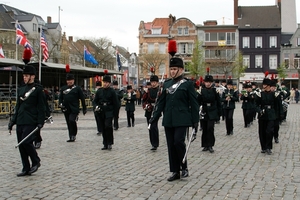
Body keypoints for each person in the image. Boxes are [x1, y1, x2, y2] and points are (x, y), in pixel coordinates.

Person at [150, 57, 199, 181]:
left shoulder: (187, 84)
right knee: (171, 145)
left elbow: (194, 104)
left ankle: (184, 167)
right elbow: (161, 103)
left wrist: (195, 121)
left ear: (181, 69)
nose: (172, 71)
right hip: (169, 119)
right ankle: (175, 171)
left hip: (182, 119)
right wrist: (154, 117)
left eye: (175, 69)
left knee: (178, 142)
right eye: (171, 69)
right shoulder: (166, 84)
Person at [8, 65, 45, 176]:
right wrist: (12, 121)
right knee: (21, 145)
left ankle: (36, 161)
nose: (24, 78)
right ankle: (26, 167)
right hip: (20, 120)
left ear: (32, 76)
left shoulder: (38, 90)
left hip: (31, 120)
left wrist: (40, 122)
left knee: (26, 142)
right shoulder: (21, 89)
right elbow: (18, 107)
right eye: (24, 76)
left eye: (26, 75)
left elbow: (41, 107)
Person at [255, 73, 280, 155]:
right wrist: (259, 110)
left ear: (269, 86)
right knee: (262, 131)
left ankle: (269, 147)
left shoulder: (275, 95)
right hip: (262, 115)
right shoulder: (260, 94)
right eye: (263, 84)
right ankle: (263, 147)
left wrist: (278, 116)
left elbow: (277, 106)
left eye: (265, 84)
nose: (263, 86)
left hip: (271, 114)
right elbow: (256, 105)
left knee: (269, 131)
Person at [197, 70, 221, 153]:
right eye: (206, 82)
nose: (208, 84)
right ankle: (205, 145)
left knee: (210, 128)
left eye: (209, 82)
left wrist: (219, 114)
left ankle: (210, 145)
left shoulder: (215, 91)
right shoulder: (201, 91)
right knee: (204, 129)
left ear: (211, 83)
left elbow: (218, 102)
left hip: (212, 111)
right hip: (204, 111)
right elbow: (198, 101)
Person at [59, 72, 87, 142]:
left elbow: (82, 98)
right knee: (68, 122)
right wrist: (60, 104)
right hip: (66, 108)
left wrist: (84, 108)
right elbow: (60, 98)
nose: (69, 81)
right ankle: (71, 136)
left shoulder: (77, 89)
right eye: (68, 80)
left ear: (73, 80)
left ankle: (74, 134)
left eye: (71, 80)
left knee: (72, 120)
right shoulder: (63, 88)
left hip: (74, 108)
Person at [94, 75, 118, 150]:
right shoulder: (99, 91)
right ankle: (105, 143)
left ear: (109, 83)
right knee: (103, 127)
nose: (105, 84)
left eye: (107, 82)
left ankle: (110, 142)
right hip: (101, 111)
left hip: (109, 110)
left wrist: (115, 114)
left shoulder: (112, 91)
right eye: (104, 82)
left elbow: (116, 103)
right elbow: (95, 101)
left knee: (108, 126)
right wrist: (96, 107)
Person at [142, 75, 160, 150]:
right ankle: (152, 143)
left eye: (155, 82)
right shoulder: (148, 91)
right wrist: (146, 106)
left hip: (156, 111)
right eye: (152, 82)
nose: (153, 84)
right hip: (149, 110)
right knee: (150, 127)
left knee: (154, 126)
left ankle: (155, 143)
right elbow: (144, 100)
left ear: (157, 83)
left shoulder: (159, 91)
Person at [33, 80, 52, 149]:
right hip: (30, 112)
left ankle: (38, 141)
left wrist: (47, 114)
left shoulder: (41, 92)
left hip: (39, 112)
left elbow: (44, 104)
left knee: (37, 128)